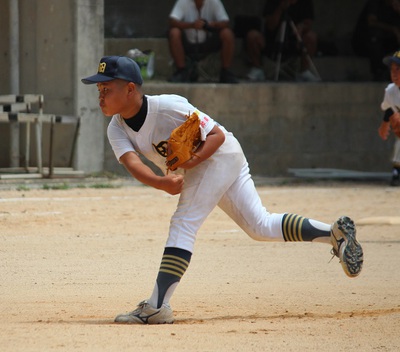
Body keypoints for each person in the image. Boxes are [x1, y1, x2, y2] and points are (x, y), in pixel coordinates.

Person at [81, 56, 363, 324]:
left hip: (219, 155)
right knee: (260, 226)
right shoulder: (116, 128)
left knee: (184, 222)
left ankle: (157, 306)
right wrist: (161, 182)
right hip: (212, 163)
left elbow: (216, 135)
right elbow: (132, 163)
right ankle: (332, 234)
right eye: (99, 88)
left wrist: (191, 161)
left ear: (130, 89)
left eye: (107, 87)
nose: (100, 94)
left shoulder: (168, 106)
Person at [245, 0, 319, 82]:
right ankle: (257, 69)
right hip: (271, 42)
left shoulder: (305, 2)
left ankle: (304, 71)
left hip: (295, 42)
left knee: (311, 37)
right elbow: (270, 25)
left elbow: (308, 22)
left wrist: (301, 27)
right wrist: (281, 8)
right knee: (252, 36)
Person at [168, 0, 238, 83]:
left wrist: (209, 25)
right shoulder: (183, 1)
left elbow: (225, 22)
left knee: (227, 33)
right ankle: (181, 71)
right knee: (174, 32)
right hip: (188, 41)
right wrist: (191, 25)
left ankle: (225, 71)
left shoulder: (214, 2)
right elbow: (172, 21)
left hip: (209, 41)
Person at [352, 0, 400, 81]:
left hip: (389, 44)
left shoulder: (395, 8)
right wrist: (393, 29)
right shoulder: (376, 3)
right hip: (365, 42)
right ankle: (379, 72)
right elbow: (371, 22)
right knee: (375, 38)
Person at [377, 50, 400, 186]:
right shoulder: (391, 91)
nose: (394, 73)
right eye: (392, 70)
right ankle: (397, 170)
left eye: (398, 69)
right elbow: (389, 108)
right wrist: (384, 124)